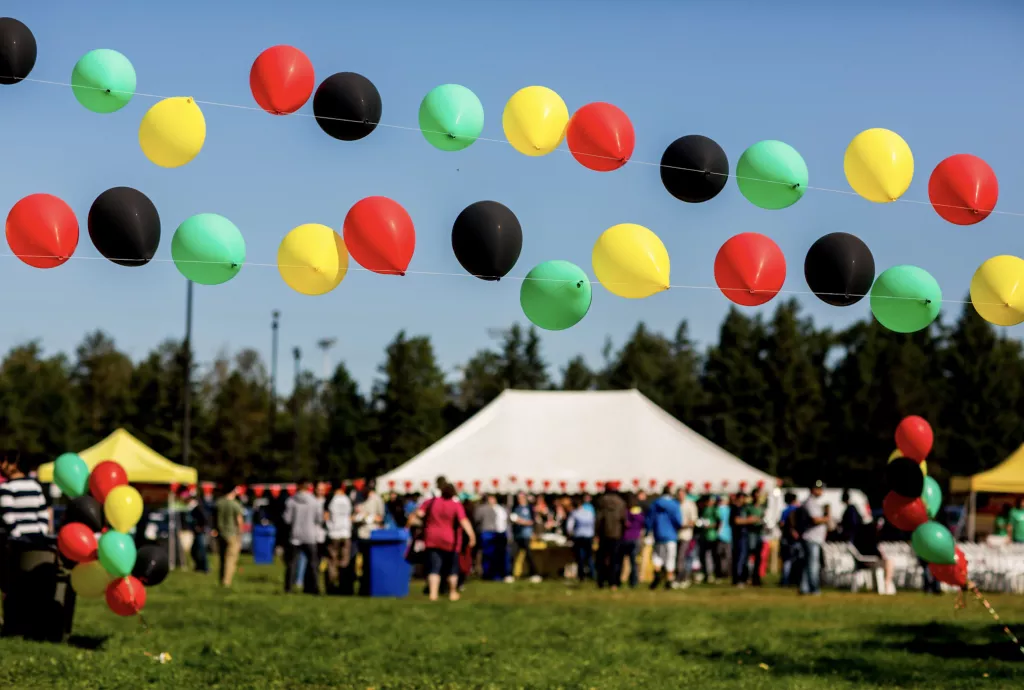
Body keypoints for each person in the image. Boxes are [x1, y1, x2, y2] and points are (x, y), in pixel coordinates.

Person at [416, 483, 476, 601]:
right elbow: (463, 521)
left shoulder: (432, 502)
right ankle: (452, 593)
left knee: (434, 567)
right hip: (451, 541)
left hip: (432, 539)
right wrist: (472, 536)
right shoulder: (455, 505)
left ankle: (433, 594)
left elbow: (419, 513)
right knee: (452, 569)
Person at [283, 482, 322, 595]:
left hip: (295, 535)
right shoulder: (314, 501)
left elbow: (287, 519)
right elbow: (319, 519)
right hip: (310, 536)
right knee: (313, 563)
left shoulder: (291, 501)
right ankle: (314, 588)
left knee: (292, 563)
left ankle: (288, 588)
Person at [0, 452, 50, 540]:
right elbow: (43, 512)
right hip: (37, 537)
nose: (2, 466)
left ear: (13, 465)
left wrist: (17, 535)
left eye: (5, 461)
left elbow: (7, 515)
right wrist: (42, 530)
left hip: (17, 543)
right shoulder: (35, 486)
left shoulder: (6, 487)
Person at [646, 484, 682, 590]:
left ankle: (657, 574)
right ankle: (669, 579)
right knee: (670, 558)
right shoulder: (674, 504)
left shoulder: (655, 504)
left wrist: (648, 531)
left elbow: (649, 520)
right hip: (671, 535)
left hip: (658, 534)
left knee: (657, 557)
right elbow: (678, 521)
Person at [353, 480, 386, 595]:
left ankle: (368, 588)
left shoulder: (377, 499)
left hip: (372, 535)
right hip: (360, 534)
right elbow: (354, 515)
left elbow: (381, 517)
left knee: (369, 563)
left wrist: (369, 518)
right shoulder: (358, 498)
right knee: (357, 563)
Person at [799, 481, 830, 596]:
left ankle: (804, 587)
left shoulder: (813, 502)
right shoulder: (810, 502)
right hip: (812, 537)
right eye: (819, 489)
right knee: (813, 565)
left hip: (814, 538)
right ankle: (814, 588)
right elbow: (815, 519)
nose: (821, 491)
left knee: (809, 564)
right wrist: (826, 518)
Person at [595, 482, 627, 590]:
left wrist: (597, 532)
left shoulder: (601, 501)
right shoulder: (621, 502)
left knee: (602, 559)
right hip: (617, 534)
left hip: (604, 534)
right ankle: (614, 582)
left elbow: (599, 519)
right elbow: (624, 520)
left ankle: (601, 581)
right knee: (615, 560)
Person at [325, 483, 353, 594]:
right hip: (346, 533)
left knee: (332, 561)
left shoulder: (331, 499)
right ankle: (344, 585)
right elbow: (350, 516)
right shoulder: (347, 499)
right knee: (345, 561)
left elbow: (326, 516)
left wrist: (328, 526)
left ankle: (332, 586)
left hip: (334, 533)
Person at [213, 485, 244, 587]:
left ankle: (221, 579)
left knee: (222, 558)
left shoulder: (218, 503)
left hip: (220, 533)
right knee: (230, 559)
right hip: (232, 535)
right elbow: (239, 521)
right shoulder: (235, 504)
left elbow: (214, 519)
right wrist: (240, 535)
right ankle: (226, 582)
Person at [474, 494, 509, 581]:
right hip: (494, 533)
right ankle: (494, 574)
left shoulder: (481, 509)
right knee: (493, 555)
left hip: (487, 533)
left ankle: (488, 574)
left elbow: (476, 519)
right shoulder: (496, 509)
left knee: (487, 555)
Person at [510, 493, 540, 583]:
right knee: (513, 554)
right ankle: (510, 574)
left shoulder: (529, 508)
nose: (520, 499)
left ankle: (534, 574)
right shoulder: (515, 508)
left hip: (526, 535)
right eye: (518, 498)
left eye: (522, 497)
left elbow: (532, 521)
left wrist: (522, 522)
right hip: (517, 535)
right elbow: (513, 519)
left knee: (529, 555)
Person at [567, 495, 596, 582]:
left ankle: (581, 576)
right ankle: (592, 574)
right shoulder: (589, 513)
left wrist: (571, 535)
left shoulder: (574, 513)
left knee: (580, 557)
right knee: (589, 556)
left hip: (579, 536)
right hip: (589, 536)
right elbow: (594, 524)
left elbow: (569, 527)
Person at [675, 487, 698, 589]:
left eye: (682, 494)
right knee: (677, 558)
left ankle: (683, 578)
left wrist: (683, 525)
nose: (680, 496)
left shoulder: (690, 504)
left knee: (682, 557)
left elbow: (693, 521)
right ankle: (679, 577)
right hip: (675, 535)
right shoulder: (675, 504)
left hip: (686, 535)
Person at [695, 494, 721, 584]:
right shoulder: (703, 509)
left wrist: (711, 527)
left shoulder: (714, 509)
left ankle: (717, 575)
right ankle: (706, 574)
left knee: (715, 556)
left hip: (712, 536)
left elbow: (718, 522)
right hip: (704, 536)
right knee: (703, 556)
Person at [743, 487, 766, 587]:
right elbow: (745, 519)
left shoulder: (762, 507)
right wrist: (752, 520)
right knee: (749, 556)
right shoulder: (748, 507)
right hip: (751, 533)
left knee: (758, 557)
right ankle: (748, 576)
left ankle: (756, 577)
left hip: (759, 533)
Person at [622, 493, 645, 588]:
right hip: (636, 538)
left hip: (626, 537)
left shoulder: (626, 512)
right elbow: (643, 523)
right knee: (634, 561)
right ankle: (634, 581)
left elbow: (625, 523)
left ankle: (623, 578)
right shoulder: (639, 512)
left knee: (625, 561)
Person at [778, 492, 801, 586]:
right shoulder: (798, 510)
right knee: (796, 560)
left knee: (787, 560)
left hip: (786, 538)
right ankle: (794, 580)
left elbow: (782, 524)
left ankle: (785, 581)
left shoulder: (785, 511)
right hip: (797, 538)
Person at [729, 492, 750, 586]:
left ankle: (742, 578)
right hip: (739, 536)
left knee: (742, 558)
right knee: (739, 558)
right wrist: (750, 520)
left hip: (742, 536)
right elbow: (736, 520)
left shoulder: (742, 508)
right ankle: (738, 578)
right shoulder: (735, 508)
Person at [189, 490, 211, 574]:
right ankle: (199, 566)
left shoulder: (199, 508)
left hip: (200, 532)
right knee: (194, 550)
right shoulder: (197, 508)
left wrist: (201, 527)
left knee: (201, 551)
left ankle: (205, 568)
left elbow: (205, 519)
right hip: (198, 532)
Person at [716, 495, 732, 579]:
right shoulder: (723, 509)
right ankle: (724, 572)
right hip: (725, 534)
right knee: (724, 555)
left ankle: (725, 572)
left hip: (724, 534)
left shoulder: (721, 509)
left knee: (724, 555)